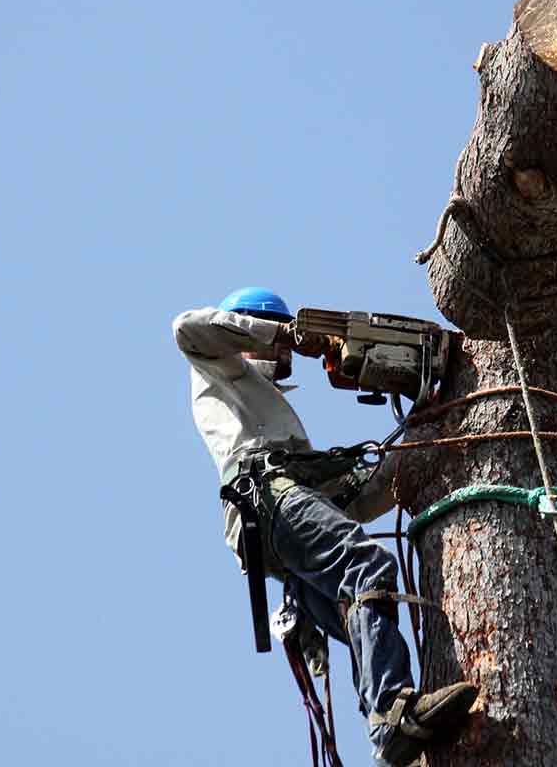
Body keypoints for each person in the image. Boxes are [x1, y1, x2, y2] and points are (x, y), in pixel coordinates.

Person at [173, 286, 476, 766]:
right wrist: (287, 332)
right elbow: (186, 325)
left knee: (358, 610)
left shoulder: (278, 424)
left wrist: (425, 426)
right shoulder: (214, 363)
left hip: (276, 516)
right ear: (247, 328)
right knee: (368, 567)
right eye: (281, 351)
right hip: (265, 497)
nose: (287, 360)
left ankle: (393, 734)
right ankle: (391, 709)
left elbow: (364, 498)